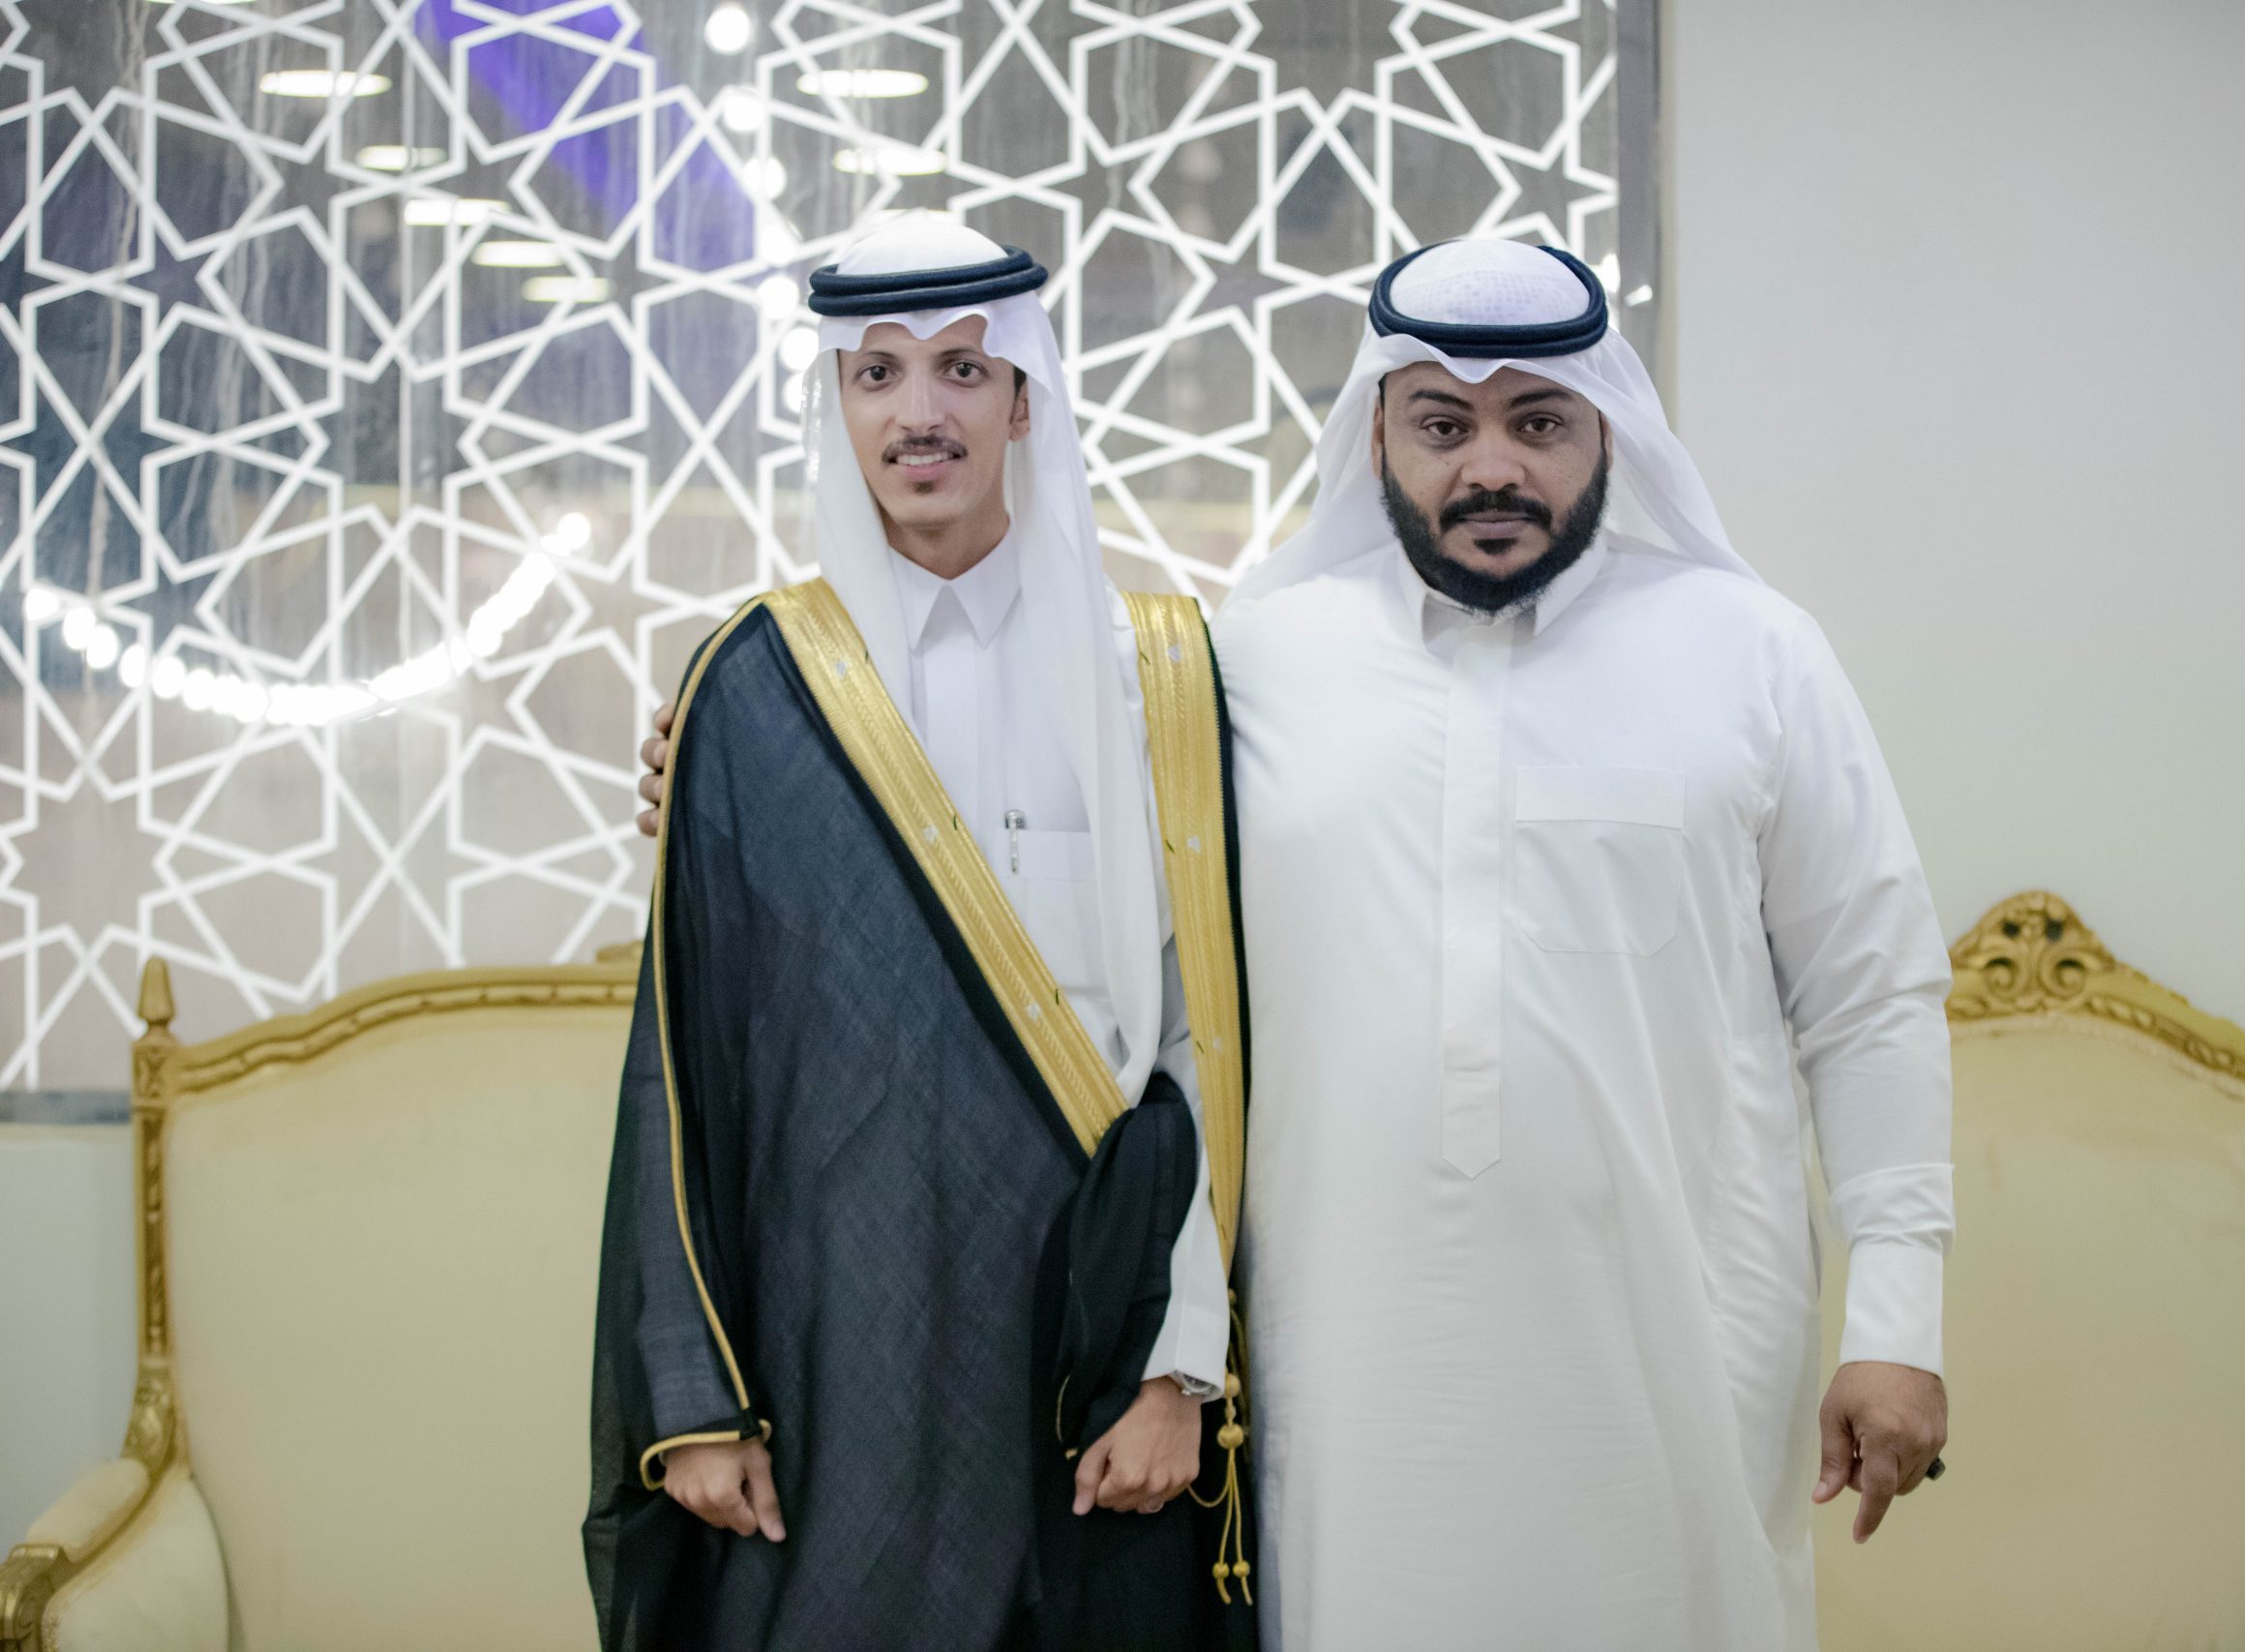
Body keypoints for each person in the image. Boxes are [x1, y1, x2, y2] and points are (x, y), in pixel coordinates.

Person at [1210, 237, 1953, 1650]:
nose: (1492, 467)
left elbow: (1874, 999)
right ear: (1376, 435)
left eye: (1538, 422)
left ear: (1608, 428)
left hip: (1680, 1358)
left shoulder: (1754, 652)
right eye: (1443, 424)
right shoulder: (1258, 662)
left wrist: (1898, 1323)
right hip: (1351, 1379)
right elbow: (1137, 968)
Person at [587, 218, 1252, 1652]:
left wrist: (1173, 1367)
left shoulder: (1157, 676)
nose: (919, 412)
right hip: (837, 1338)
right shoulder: (756, 686)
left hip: (1092, 1334)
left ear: (1025, 401)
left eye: (962, 368)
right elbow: (683, 1065)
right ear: (837, 406)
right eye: (876, 373)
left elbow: (1198, 1046)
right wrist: (697, 1399)